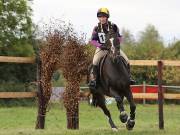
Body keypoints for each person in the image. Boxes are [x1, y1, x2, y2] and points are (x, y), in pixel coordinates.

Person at [88, 7, 135, 89]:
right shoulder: (96, 28)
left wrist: (116, 44)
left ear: (107, 17)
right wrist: (100, 45)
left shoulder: (113, 26)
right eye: (100, 17)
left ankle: (129, 77)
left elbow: (120, 37)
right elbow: (93, 40)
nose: (102, 18)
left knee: (127, 60)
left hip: (113, 48)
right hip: (102, 49)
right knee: (95, 61)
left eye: (103, 16)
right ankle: (94, 80)